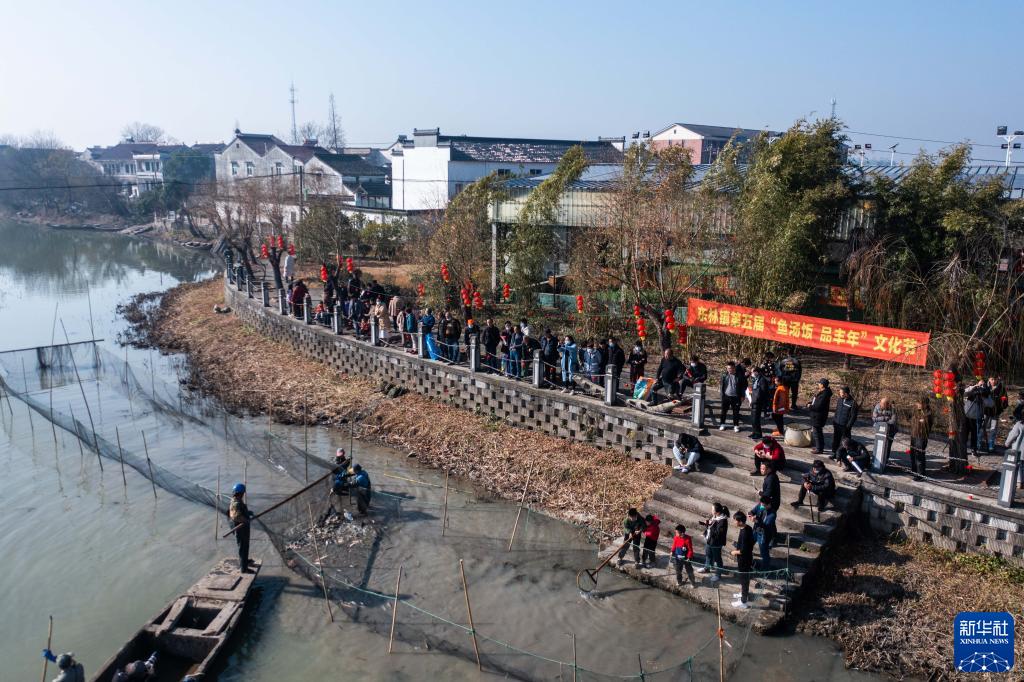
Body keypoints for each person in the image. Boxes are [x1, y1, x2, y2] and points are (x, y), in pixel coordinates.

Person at [730, 510, 755, 609]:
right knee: (743, 579)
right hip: (746, 558)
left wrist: (734, 552)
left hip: (744, 560)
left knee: (744, 579)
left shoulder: (745, 532)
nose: (734, 522)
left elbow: (743, 551)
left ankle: (743, 601)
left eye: (735, 520)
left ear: (740, 522)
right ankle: (744, 594)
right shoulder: (747, 528)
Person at [698, 502, 729, 582]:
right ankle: (707, 568)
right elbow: (711, 527)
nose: (711, 510)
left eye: (712, 509)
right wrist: (707, 525)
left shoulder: (723, 521)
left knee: (717, 559)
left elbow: (718, 533)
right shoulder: (715, 517)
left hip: (716, 543)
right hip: (709, 540)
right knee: (708, 555)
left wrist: (710, 525)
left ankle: (718, 575)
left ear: (717, 511)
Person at [229, 483, 254, 573]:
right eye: (243, 493)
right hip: (240, 529)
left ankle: (245, 561)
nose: (243, 494)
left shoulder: (237, 500)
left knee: (245, 546)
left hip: (243, 528)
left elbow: (240, 512)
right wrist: (246, 520)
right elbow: (237, 517)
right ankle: (244, 568)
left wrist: (248, 513)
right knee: (243, 547)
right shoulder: (236, 503)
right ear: (240, 493)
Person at [748, 494, 777, 571]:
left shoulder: (772, 514)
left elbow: (766, 525)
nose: (761, 506)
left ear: (768, 504)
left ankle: (765, 568)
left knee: (764, 552)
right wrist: (750, 514)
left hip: (764, 534)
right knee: (748, 545)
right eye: (761, 504)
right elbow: (752, 511)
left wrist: (756, 521)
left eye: (763, 505)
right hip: (755, 530)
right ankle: (748, 561)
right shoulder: (760, 505)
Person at [806, 378, 833, 454]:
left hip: (819, 417)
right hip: (817, 416)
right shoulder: (822, 392)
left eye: (819, 383)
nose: (818, 384)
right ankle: (820, 447)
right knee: (818, 432)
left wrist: (810, 406)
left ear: (822, 385)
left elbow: (818, 407)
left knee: (817, 433)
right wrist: (810, 403)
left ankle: (819, 449)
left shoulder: (824, 395)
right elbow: (816, 402)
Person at [718, 361, 746, 432]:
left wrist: (743, 396)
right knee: (723, 411)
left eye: (730, 368)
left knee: (736, 412)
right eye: (728, 368)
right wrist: (722, 395)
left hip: (736, 397)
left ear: (734, 368)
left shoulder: (739, 376)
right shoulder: (724, 375)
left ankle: (736, 425)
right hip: (726, 396)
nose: (729, 370)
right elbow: (721, 386)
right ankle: (722, 424)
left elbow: (743, 387)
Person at [831, 386, 858, 457]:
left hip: (845, 426)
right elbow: (837, 411)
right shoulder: (840, 400)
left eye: (841, 393)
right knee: (835, 440)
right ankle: (834, 453)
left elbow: (853, 417)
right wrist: (834, 420)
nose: (840, 394)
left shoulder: (853, 403)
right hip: (837, 424)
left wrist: (848, 427)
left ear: (846, 394)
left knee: (844, 442)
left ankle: (842, 456)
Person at [910, 396, 933, 477]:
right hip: (914, 435)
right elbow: (913, 421)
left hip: (921, 436)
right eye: (918, 403)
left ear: (925, 404)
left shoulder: (928, 413)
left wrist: (919, 420)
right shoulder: (917, 411)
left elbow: (924, 424)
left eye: (920, 403)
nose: (918, 405)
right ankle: (914, 470)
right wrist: (918, 420)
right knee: (913, 454)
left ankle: (920, 473)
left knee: (919, 455)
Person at [872, 397, 898, 465]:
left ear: (887, 404)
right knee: (878, 444)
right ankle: (877, 460)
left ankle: (885, 460)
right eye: (880, 403)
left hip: (890, 431)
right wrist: (884, 418)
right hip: (879, 430)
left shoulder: (893, 409)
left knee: (887, 446)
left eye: (883, 404)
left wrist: (884, 423)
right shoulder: (877, 407)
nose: (881, 404)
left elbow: (893, 421)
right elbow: (874, 418)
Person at [985, 376, 1008, 452]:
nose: (993, 381)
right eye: (992, 379)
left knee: (993, 429)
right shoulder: (985, 387)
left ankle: (991, 444)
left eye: (995, 379)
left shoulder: (1001, 388)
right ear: (989, 379)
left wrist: (1003, 403)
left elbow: (1005, 400)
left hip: (995, 412)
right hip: (985, 411)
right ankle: (979, 442)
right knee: (982, 428)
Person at [748, 367, 771, 440]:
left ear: (756, 372)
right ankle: (754, 432)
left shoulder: (762, 380)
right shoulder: (756, 379)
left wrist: (754, 395)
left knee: (756, 419)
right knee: (752, 418)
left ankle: (758, 434)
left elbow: (762, 392)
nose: (751, 374)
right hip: (754, 401)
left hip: (758, 402)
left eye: (752, 372)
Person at [1005, 416, 1024, 490]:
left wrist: (1007, 443)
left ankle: (1019, 482)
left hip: (1019, 450)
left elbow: (1012, 435)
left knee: (1018, 466)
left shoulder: (1019, 425)